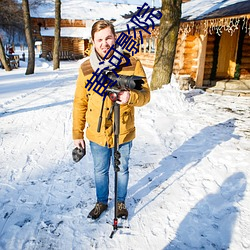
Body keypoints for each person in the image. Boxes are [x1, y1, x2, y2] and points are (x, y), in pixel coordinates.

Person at [72, 20, 150, 220]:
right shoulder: (86, 68)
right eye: (99, 39)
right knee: (100, 170)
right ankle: (101, 202)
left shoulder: (131, 63)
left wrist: (130, 97)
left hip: (123, 129)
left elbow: (146, 95)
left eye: (108, 38)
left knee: (122, 168)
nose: (104, 43)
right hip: (97, 133)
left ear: (114, 37)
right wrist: (77, 134)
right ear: (93, 41)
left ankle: (121, 202)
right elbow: (80, 102)